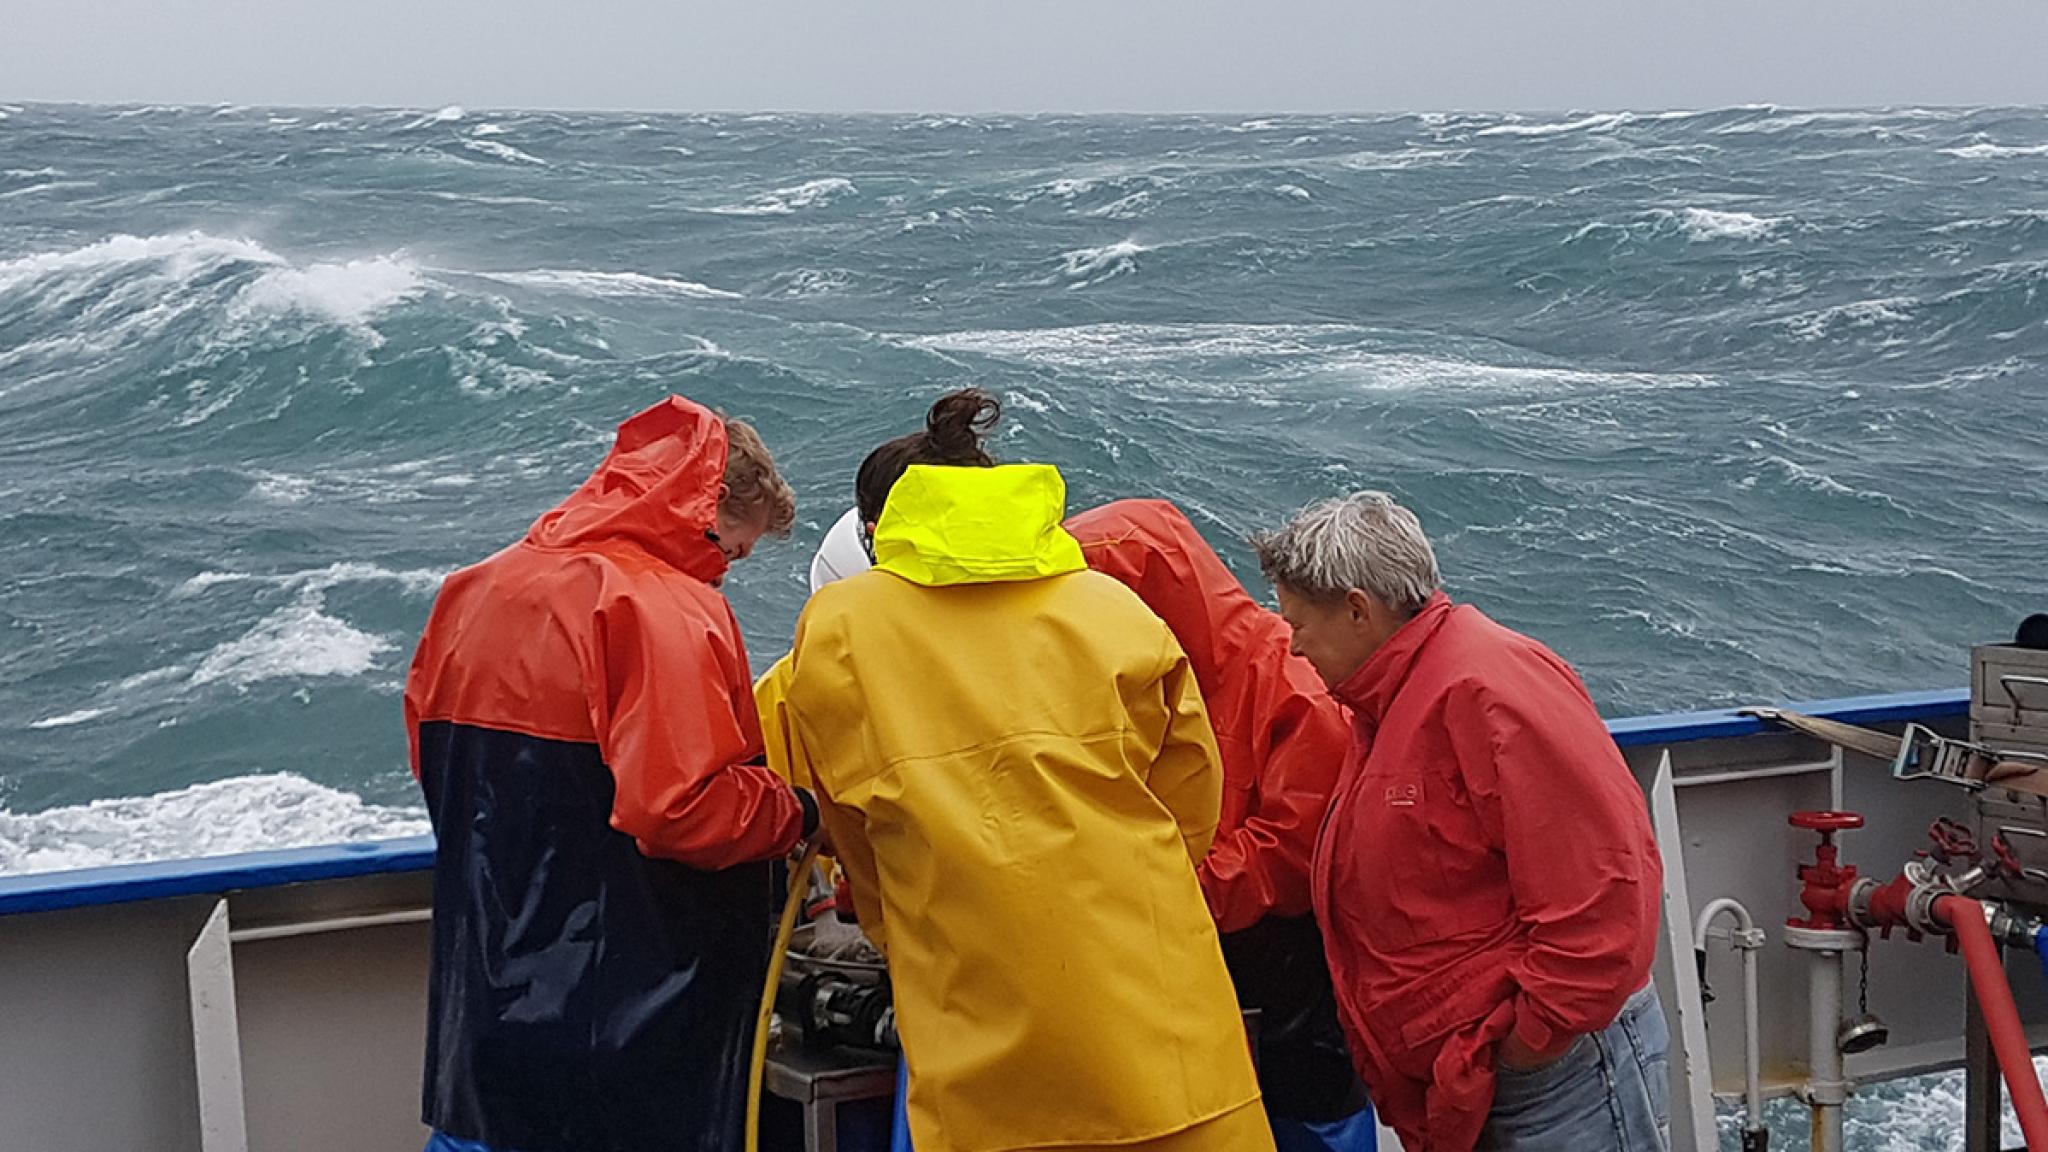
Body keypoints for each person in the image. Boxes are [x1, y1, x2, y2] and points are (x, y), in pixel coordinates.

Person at [781, 397, 1274, 1152]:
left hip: (981, 1031)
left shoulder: (842, 627)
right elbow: (1191, 803)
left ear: (878, 531)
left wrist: (903, 922)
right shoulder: (1113, 607)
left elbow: (847, 821)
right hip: (1163, 1017)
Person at [404, 395, 820, 1152]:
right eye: (732, 550)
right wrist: (795, 812)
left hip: (484, 1005)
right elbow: (680, 807)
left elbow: (436, 770)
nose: (727, 574)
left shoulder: (474, 590)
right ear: (702, 510)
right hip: (626, 1018)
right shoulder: (659, 606)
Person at [1253, 491, 1668, 1152]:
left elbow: (1603, 902)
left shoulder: (1487, 688)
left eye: (1299, 624)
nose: (1293, 648)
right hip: (1480, 1079)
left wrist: (1521, 1047)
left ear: (1358, 610)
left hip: (1552, 1082)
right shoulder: (1389, 696)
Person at [1066, 499, 1377, 1151]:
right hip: (1192, 977)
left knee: (1310, 1125)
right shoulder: (1137, 680)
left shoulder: (1294, 681)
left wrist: (1156, 893)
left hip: (1292, 991)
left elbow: (1289, 856)